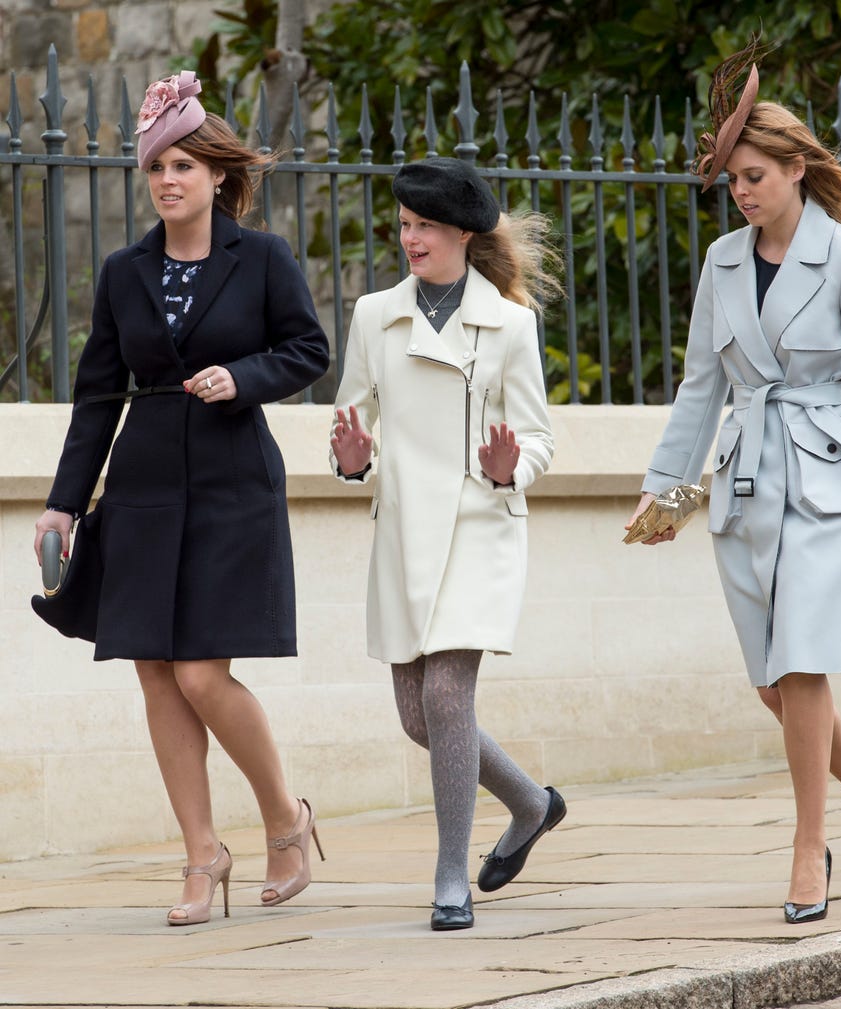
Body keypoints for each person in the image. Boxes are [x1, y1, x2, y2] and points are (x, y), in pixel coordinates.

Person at [626, 42, 841, 924]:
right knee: (773, 679)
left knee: (801, 661)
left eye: (755, 175)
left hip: (835, 481)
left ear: (798, 168)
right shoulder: (722, 263)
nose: (742, 191)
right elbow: (700, 387)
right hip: (748, 482)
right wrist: (664, 486)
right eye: (732, 180)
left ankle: (810, 847)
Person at [32, 71, 330, 925]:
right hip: (145, 483)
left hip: (236, 481)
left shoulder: (262, 256)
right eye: (156, 165)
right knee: (156, 675)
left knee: (204, 671)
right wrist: (63, 504)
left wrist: (241, 377)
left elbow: (308, 349)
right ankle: (202, 856)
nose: (168, 179)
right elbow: (96, 397)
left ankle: (285, 819)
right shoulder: (126, 273)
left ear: (215, 175)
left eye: (185, 165)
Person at [329, 158, 565, 931]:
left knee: (444, 696)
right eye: (403, 225)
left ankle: (450, 876)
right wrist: (351, 459)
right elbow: (348, 431)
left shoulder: (510, 323)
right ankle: (531, 802)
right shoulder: (373, 315)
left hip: (478, 524)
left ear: (463, 232)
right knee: (417, 715)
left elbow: (537, 437)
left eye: (425, 225)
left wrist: (510, 467)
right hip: (401, 530)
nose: (410, 238)